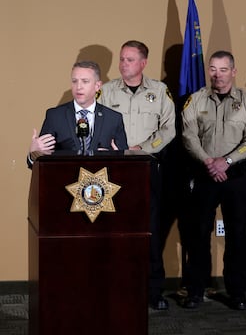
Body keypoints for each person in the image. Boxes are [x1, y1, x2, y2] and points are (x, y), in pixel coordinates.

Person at [180, 50, 246, 310]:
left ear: (234, 71)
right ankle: (196, 290)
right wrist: (208, 162)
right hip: (205, 175)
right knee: (198, 235)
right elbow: (189, 136)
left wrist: (225, 161)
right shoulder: (195, 100)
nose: (217, 75)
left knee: (237, 236)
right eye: (213, 69)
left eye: (223, 69)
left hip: (236, 177)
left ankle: (236, 292)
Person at [97, 40, 176, 310]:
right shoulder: (106, 91)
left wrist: (141, 149)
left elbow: (169, 129)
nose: (123, 64)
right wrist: (113, 147)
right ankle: (115, 289)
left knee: (149, 232)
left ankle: (153, 291)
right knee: (114, 232)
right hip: (114, 170)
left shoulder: (159, 91)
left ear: (143, 63)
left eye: (129, 59)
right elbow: (95, 122)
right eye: (121, 59)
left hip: (146, 168)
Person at [28, 60, 128, 166]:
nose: (78, 87)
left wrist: (115, 158)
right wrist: (33, 153)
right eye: (74, 81)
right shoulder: (55, 116)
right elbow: (36, 165)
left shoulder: (113, 118)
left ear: (97, 86)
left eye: (85, 81)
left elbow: (127, 165)